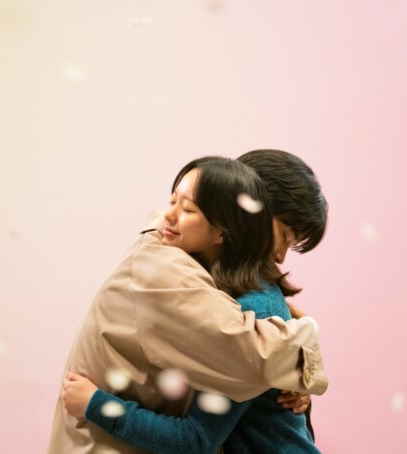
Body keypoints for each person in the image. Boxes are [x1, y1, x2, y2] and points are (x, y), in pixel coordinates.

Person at [47, 156, 327, 454]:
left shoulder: (253, 307)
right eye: (283, 236)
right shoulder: (204, 284)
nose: (281, 256)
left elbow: (195, 439)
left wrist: (97, 405)